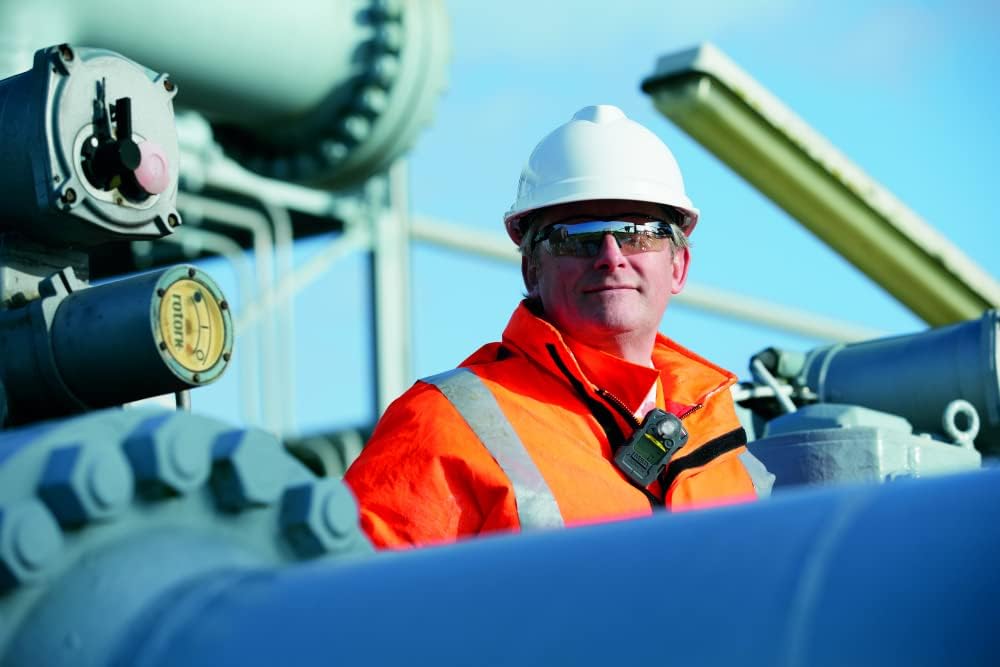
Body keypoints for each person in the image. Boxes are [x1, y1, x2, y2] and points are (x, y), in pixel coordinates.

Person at [345, 104, 773, 549]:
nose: (610, 256)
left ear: (679, 265)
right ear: (532, 270)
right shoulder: (446, 424)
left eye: (637, 232)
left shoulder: (730, 449)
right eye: (576, 237)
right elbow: (352, 605)